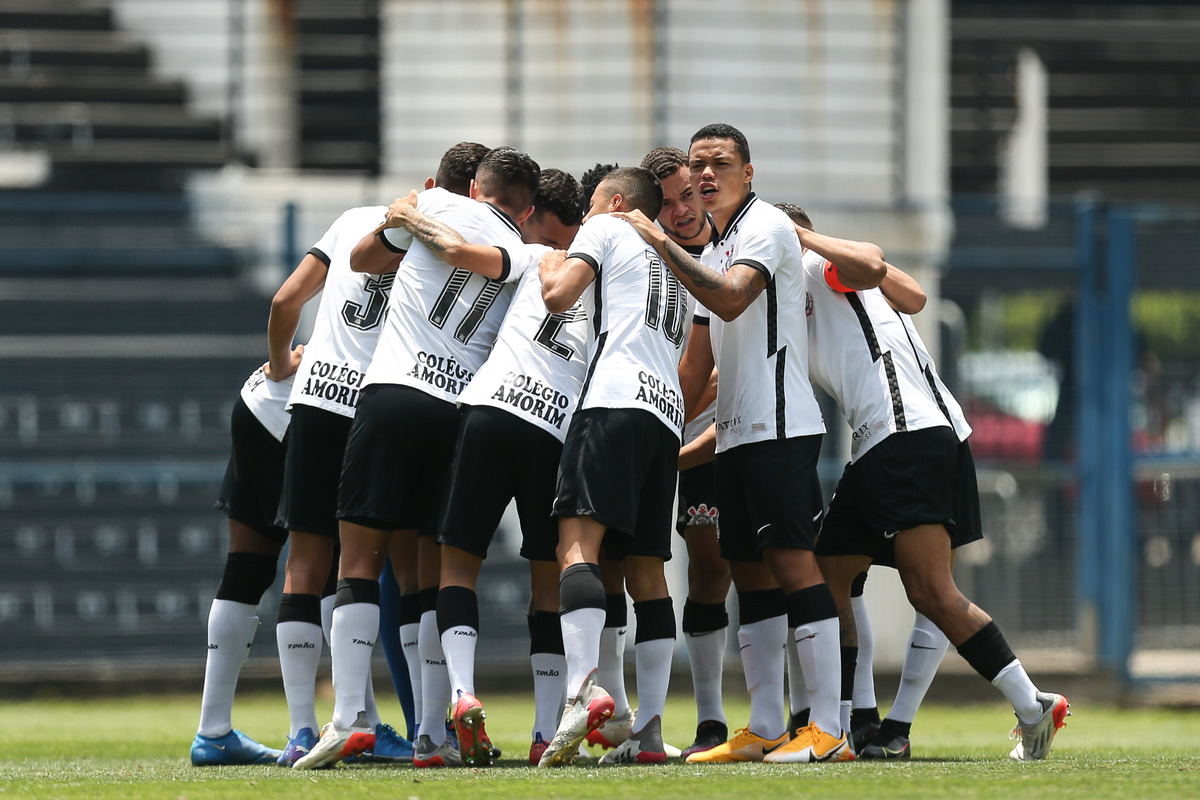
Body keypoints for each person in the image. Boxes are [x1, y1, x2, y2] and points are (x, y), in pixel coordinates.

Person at [612, 123, 887, 765]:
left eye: (720, 163)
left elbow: (733, 301)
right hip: (735, 433)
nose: (706, 175)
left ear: (749, 171)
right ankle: (764, 725)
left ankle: (829, 727)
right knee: (751, 578)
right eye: (698, 164)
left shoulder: (762, 227)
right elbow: (696, 362)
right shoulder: (719, 244)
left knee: (795, 567)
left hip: (780, 427)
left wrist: (658, 240)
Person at [776, 202, 1070, 762]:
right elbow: (909, 297)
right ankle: (849, 724)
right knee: (830, 568)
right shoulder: (789, 301)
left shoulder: (822, 268)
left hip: (907, 431)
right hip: (889, 439)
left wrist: (803, 238)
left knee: (931, 591)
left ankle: (1033, 706)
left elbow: (894, 280)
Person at [292, 146, 541, 770]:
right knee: (430, 574)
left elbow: (362, 258)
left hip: (394, 393)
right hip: (457, 411)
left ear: (474, 187)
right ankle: (433, 734)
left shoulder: (434, 206)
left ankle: (350, 716)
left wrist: (406, 218)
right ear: (527, 206)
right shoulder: (523, 255)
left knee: (358, 558)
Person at [372, 168, 587, 766]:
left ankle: (459, 698)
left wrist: (409, 210)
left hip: (488, 411)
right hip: (553, 428)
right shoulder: (595, 278)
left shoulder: (522, 257)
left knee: (455, 565)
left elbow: (439, 254)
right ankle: (546, 729)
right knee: (549, 581)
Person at [535, 166, 684, 767]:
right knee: (647, 572)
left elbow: (558, 295)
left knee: (576, 546)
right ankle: (646, 729)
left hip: (613, 400)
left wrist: (550, 265)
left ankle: (580, 693)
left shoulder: (606, 229)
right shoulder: (667, 258)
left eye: (594, 204)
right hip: (664, 413)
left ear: (617, 202)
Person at [641, 145, 730, 758]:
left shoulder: (732, 248)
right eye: (667, 202)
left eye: (687, 195)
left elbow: (727, 365)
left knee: (725, 566)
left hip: (725, 431)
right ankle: (697, 718)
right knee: (650, 564)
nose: (682, 211)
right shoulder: (639, 259)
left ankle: (806, 714)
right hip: (658, 425)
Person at [189, 363, 295, 766]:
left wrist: (280, 359)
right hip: (301, 408)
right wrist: (283, 357)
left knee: (248, 567)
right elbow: (284, 301)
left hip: (258, 400)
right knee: (331, 557)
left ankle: (212, 731)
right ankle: (350, 723)